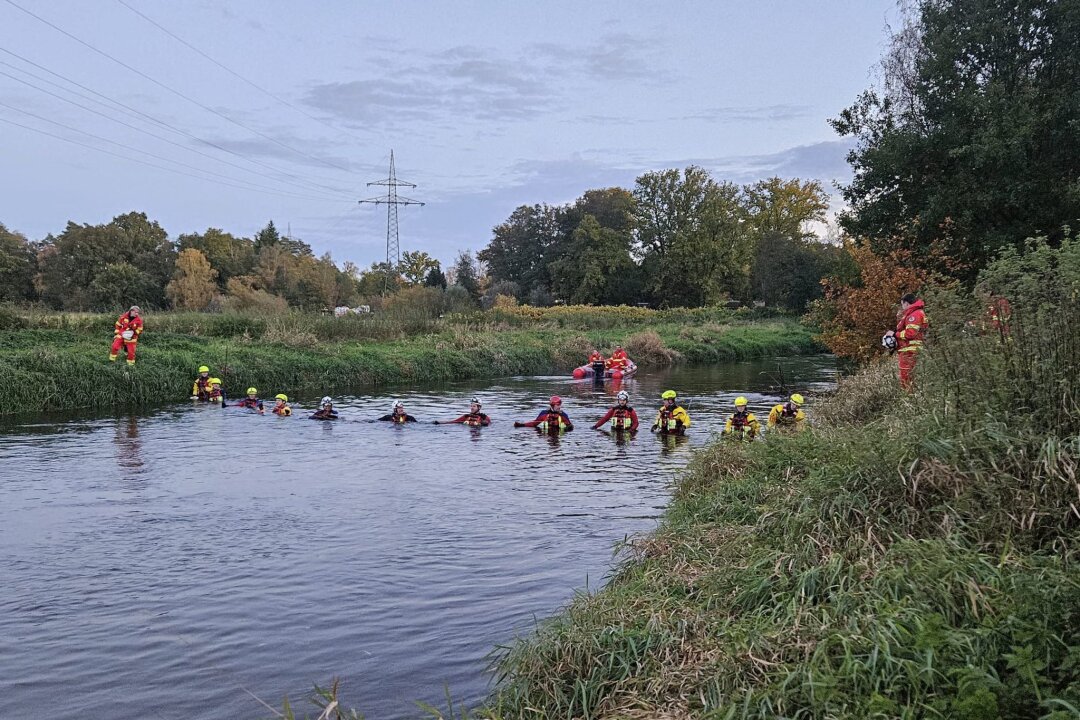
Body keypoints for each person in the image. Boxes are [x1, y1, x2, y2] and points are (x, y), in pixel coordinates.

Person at [884, 293, 928, 390]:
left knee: (906, 378)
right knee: (911, 378)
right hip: (910, 350)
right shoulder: (916, 312)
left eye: (902, 304)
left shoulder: (914, 314)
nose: (902, 307)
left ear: (906, 303)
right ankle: (913, 397)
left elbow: (910, 334)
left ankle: (910, 398)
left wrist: (895, 335)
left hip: (909, 351)